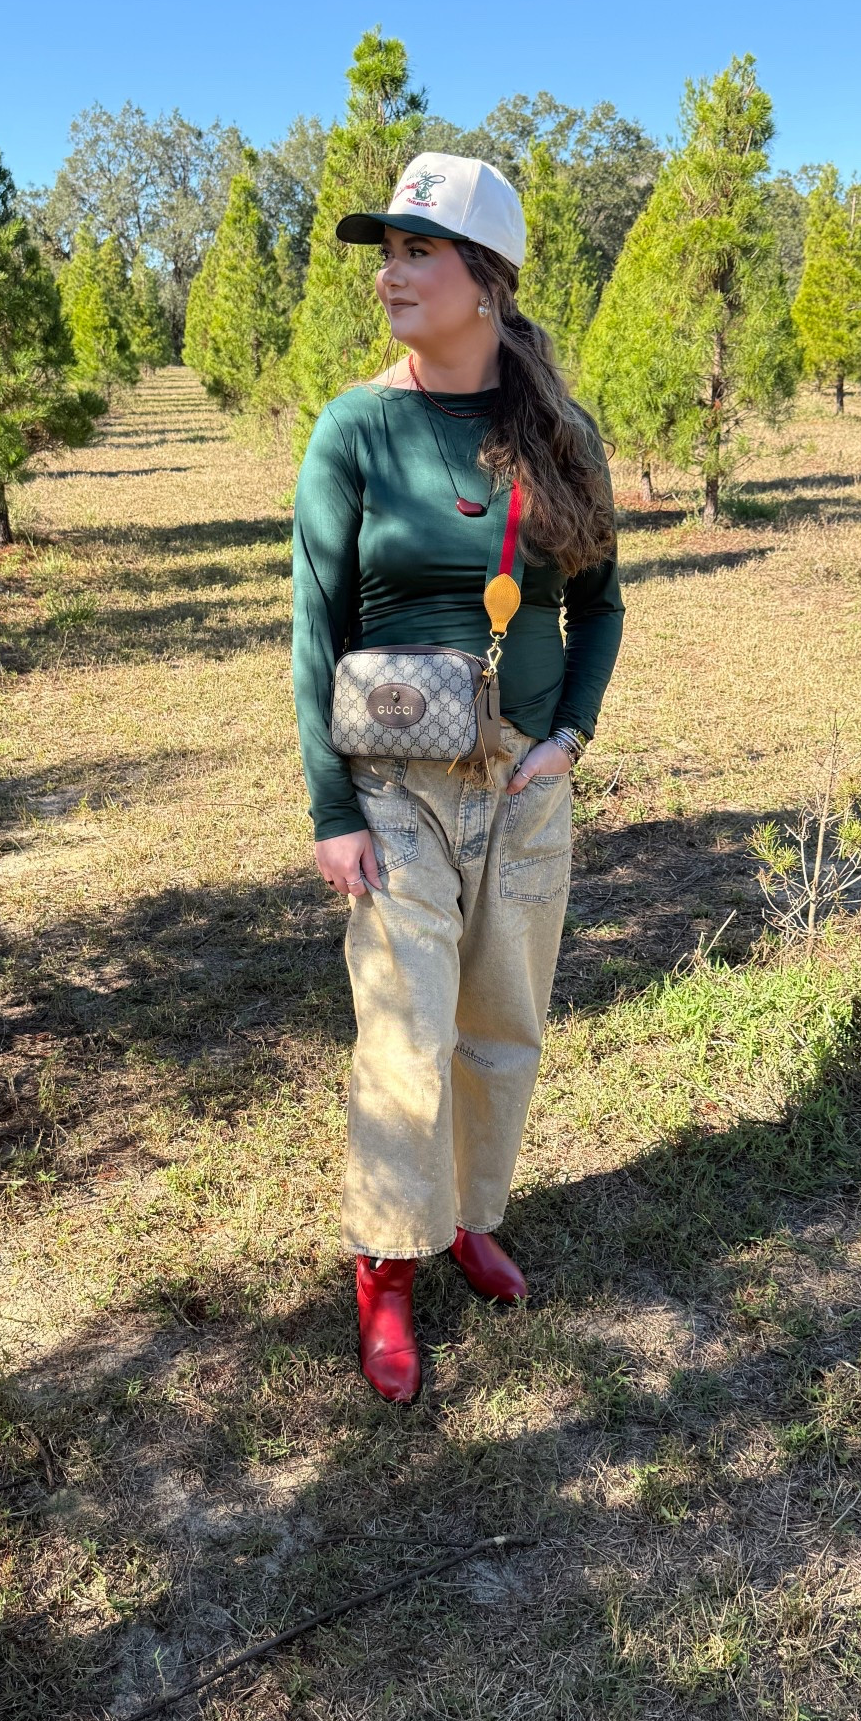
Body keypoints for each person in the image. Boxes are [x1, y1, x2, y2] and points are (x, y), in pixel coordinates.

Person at [291, 152, 624, 1403]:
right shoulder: (355, 428)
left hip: (525, 783)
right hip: (398, 788)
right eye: (386, 251)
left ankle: (471, 1214)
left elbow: (600, 607)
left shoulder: (555, 434)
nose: (391, 273)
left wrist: (569, 738)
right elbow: (312, 626)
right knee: (403, 1029)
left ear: (486, 278)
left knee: (501, 1024)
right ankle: (387, 1265)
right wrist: (332, 807)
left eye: (417, 251)